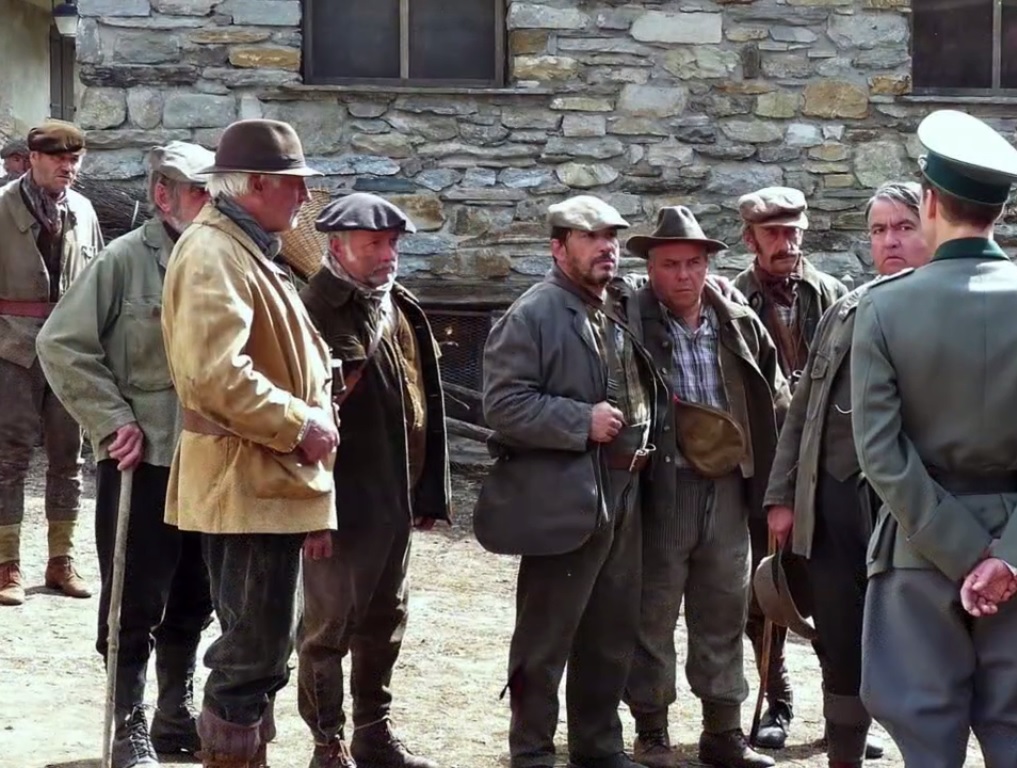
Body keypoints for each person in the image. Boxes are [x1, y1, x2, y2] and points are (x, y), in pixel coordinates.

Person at [849, 110, 1017, 767]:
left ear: (930, 202)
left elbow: (878, 450)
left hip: (918, 550)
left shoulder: (882, 306)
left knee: (926, 740)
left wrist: (962, 550)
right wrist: (1010, 559)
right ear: (1000, 210)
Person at [159, 118, 339, 768]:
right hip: (246, 481)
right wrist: (300, 423)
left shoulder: (246, 247)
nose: (305, 198)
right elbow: (214, 375)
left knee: (264, 652)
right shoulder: (215, 251)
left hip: (262, 481)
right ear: (257, 183)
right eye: (294, 184)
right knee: (249, 656)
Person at [36, 141, 217, 766]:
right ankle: (128, 722)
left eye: (214, 190)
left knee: (196, 593)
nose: (210, 202)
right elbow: (61, 343)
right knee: (132, 601)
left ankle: (174, 714)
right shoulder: (122, 261)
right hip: (143, 461)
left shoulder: (221, 262)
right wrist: (111, 419)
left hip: (210, 461)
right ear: (163, 194)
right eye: (198, 190)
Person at [476, 194, 664, 768]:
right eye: (591, 237)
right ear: (558, 248)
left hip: (625, 491)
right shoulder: (533, 314)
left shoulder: (618, 304)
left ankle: (597, 747)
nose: (607, 247)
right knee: (546, 636)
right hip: (565, 495)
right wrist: (579, 420)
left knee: (611, 630)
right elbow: (503, 404)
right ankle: (532, 752)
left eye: (612, 236)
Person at [760, 181, 929, 767]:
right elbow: (803, 410)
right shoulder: (846, 310)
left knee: (911, 640)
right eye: (879, 230)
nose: (890, 241)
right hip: (833, 502)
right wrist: (782, 495)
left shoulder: (948, 311)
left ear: (933, 227)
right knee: (837, 635)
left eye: (904, 227)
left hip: (911, 507)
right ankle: (844, 753)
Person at [621, 206, 789, 768]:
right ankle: (651, 731)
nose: (684, 275)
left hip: (729, 489)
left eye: (693, 263)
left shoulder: (738, 322)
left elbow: (777, 398)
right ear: (650, 268)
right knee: (653, 612)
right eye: (670, 264)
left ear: (708, 265)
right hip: (662, 488)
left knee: (723, 609)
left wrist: (779, 483)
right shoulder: (629, 320)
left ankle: (724, 732)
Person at [296, 193, 451, 768]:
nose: (388, 255)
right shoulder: (311, 310)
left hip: (393, 498)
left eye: (392, 243)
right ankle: (327, 744)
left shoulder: (399, 305)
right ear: (337, 247)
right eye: (374, 244)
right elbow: (295, 421)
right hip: (339, 502)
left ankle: (373, 734)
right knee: (328, 629)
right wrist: (311, 512)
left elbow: (423, 400)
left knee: (385, 620)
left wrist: (426, 492)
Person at [730, 185, 854, 754]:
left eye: (793, 232)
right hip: (760, 466)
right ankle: (775, 700)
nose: (786, 243)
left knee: (835, 590)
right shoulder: (730, 298)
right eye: (773, 233)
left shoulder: (835, 296)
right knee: (766, 588)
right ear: (750, 238)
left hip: (824, 467)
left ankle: (843, 713)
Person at [0, 119, 104, 606]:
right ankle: (6, 563)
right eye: (59, 159)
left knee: (70, 458)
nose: (68, 167)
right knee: (8, 458)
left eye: (74, 160)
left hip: (69, 352)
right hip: (10, 349)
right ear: (33, 158)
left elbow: (96, 279)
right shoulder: (2, 207)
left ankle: (61, 560)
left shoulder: (83, 211)